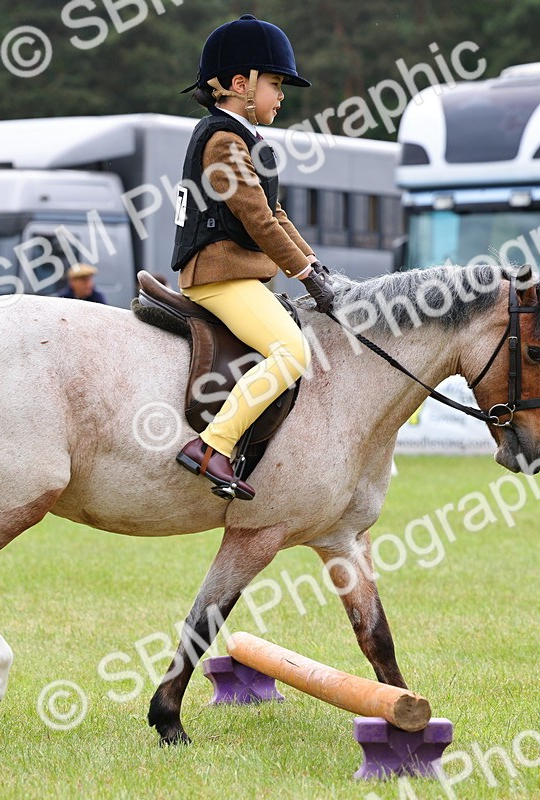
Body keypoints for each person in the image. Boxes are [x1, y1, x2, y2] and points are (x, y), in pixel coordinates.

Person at [170, 14, 335, 500]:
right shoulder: (223, 141)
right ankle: (212, 447)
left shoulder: (246, 139)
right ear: (241, 84)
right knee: (291, 353)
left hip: (238, 277)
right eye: (276, 84)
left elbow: (276, 213)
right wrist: (304, 273)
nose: (281, 95)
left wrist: (316, 266)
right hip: (219, 276)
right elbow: (258, 222)